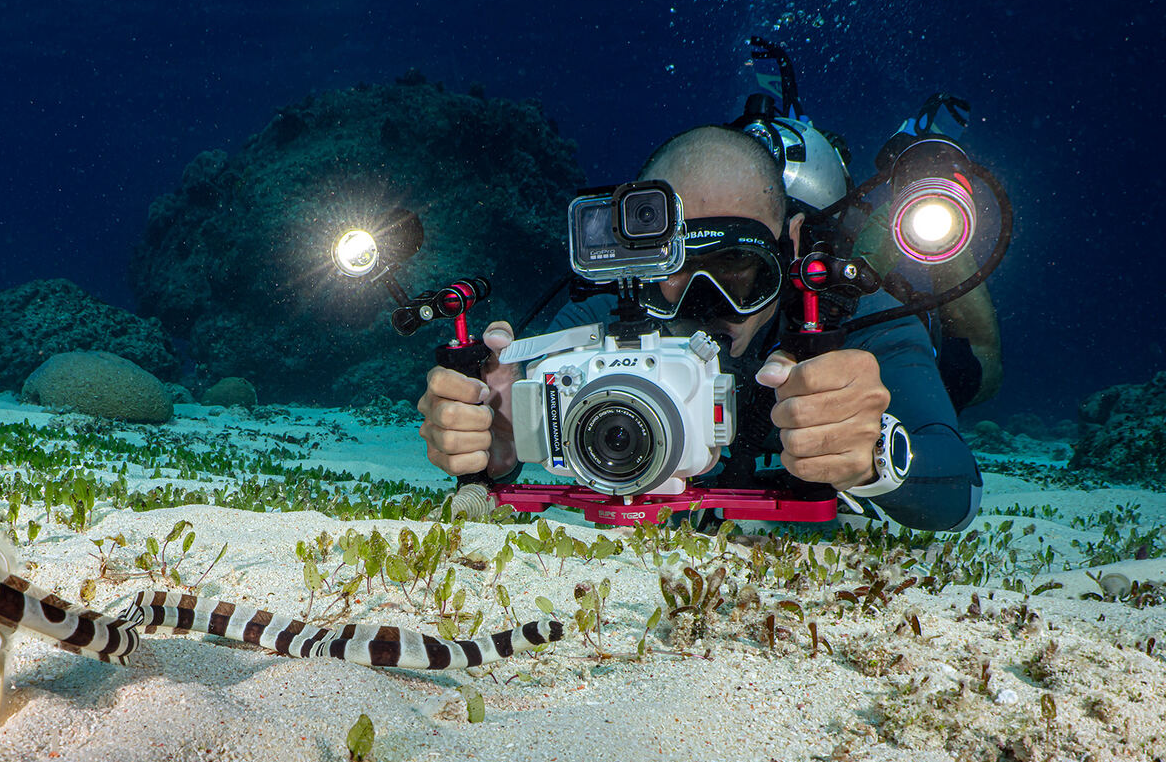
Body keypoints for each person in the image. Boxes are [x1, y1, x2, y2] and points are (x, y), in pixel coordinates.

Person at [416, 126, 982, 532]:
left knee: (974, 368)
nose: (703, 304)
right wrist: (496, 437)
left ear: (790, 246)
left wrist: (877, 451)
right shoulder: (606, 316)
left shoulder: (854, 317)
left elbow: (958, 491)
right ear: (632, 259)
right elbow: (507, 410)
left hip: (935, 360)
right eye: (672, 269)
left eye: (738, 268)